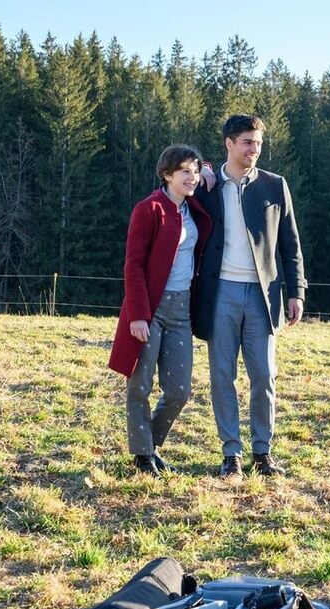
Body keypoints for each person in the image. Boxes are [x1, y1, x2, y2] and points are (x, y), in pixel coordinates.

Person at [193, 114, 307, 479]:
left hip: (264, 295)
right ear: (229, 143)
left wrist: (297, 292)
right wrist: (203, 166)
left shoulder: (275, 185)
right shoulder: (206, 185)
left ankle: (263, 452)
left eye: (257, 142)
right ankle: (232, 454)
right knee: (222, 375)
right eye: (246, 142)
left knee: (264, 375)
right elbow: (170, 173)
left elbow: (291, 243)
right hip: (220, 292)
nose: (253, 149)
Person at [108, 144, 212, 477]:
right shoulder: (149, 208)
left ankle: (147, 445)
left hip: (182, 309)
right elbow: (133, 265)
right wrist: (138, 315)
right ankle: (142, 457)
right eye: (185, 172)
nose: (192, 178)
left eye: (194, 172)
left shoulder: (192, 206)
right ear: (166, 174)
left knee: (180, 390)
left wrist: (205, 169)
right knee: (139, 386)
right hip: (150, 308)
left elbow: (210, 175)